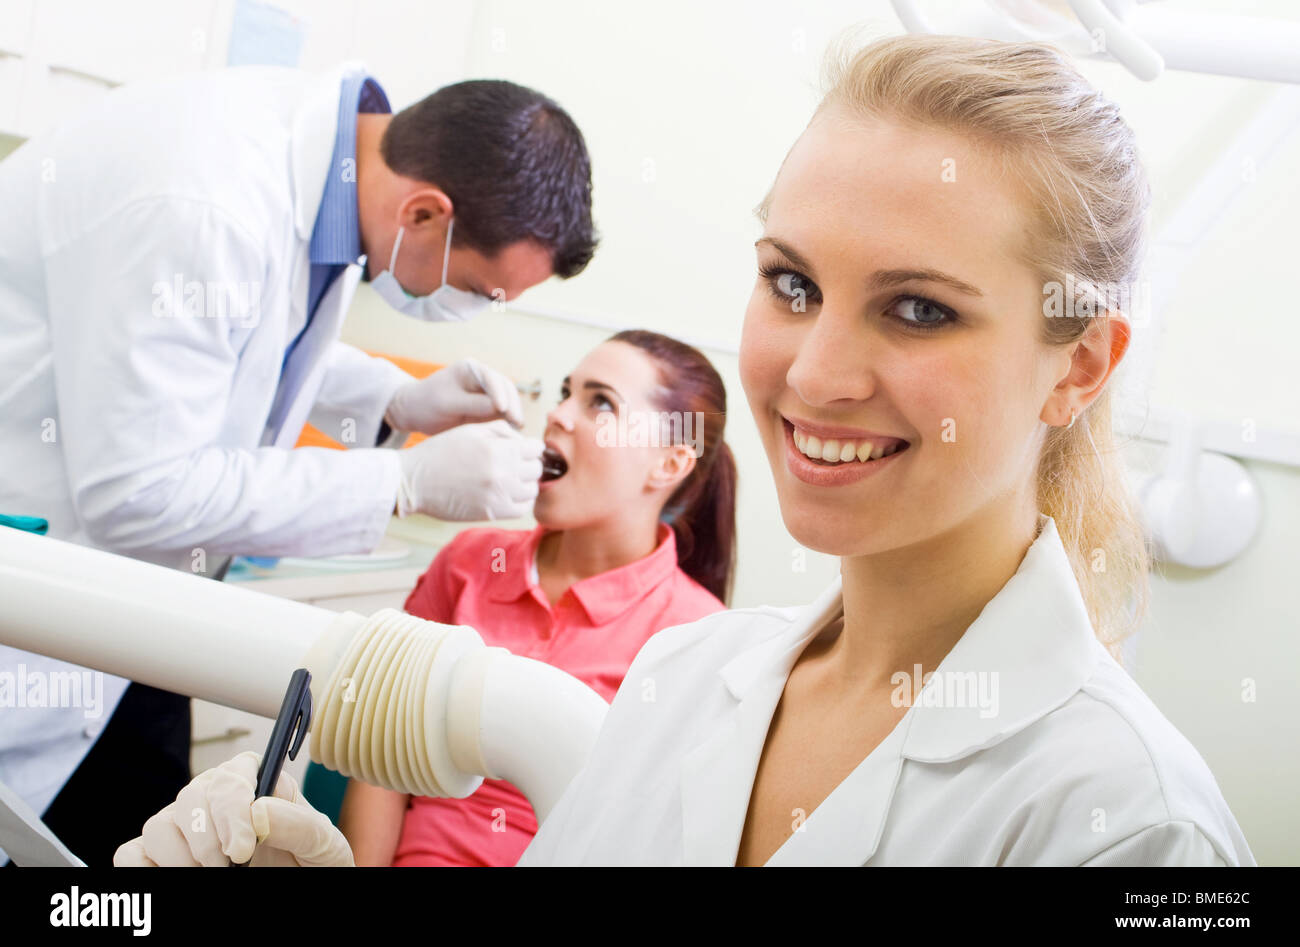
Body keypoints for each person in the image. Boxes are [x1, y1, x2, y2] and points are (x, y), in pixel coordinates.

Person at [115, 34, 1255, 867]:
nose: (813, 374)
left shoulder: (1133, 824)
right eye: (792, 282)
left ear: (1079, 366)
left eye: (917, 309)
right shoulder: (683, 687)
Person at [0, 63, 595, 866]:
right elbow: (134, 490)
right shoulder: (203, 202)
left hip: (134, 603)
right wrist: (405, 482)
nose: (474, 311)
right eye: (482, 291)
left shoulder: (331, 180)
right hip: (52, 582)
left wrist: (396, 400)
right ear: (426, 213)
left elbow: (239, 345)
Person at [339, 330, 737, 865]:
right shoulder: (469, 562)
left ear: (668, 464)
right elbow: (380, 758)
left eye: (600, 402)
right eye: (565, 391)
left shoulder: (701, 638)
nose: (558, 415)